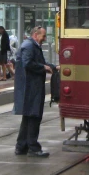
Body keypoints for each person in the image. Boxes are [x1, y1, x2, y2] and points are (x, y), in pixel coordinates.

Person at [13, 26, 59, 157]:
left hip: (31, 87)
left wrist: (54, 67)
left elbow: (40, 62)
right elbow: (28, 63)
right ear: (35, 35)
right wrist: (44, 67)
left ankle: (21, 147)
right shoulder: (29, 46)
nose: (44, 39)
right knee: (34, 116)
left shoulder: (32, 45)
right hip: (31, 88)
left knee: (28, 117)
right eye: (43, 36)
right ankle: (33, 147)